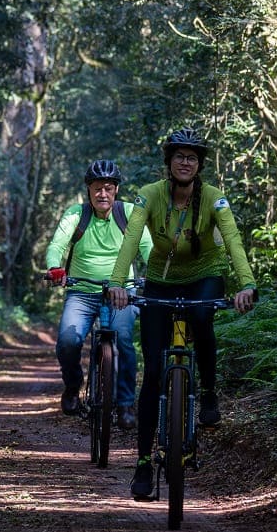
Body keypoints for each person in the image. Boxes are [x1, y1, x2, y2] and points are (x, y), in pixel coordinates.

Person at [107, 128, 257, 500]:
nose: (185, 162)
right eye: (179, 156)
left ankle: (207, 393)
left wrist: (246, 283)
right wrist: (117, 282)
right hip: (160, 278)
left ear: (200, 164)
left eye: (192, 157)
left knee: (203, 318)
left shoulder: (213, 199)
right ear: (169, 163)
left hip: (205, 274)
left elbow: (233, 240)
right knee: (154, 374)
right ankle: (143, 463)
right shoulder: (150, 195)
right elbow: (130, 239)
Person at [43, 160, 153, 429]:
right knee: (68, 340)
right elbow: (57, 244)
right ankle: (72, 385)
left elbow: (149, 246)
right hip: (82, 292)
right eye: (96, 188)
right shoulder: (76, 214)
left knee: (124, 339)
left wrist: (157, 276)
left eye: (108, 188)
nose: (102, 194)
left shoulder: (128, 213)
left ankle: (126, 403)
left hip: (122, 292)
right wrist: (55, 268)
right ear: (88, 191)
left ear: (116, 190)